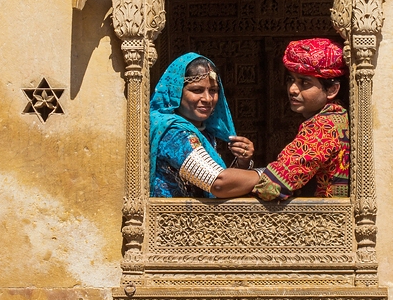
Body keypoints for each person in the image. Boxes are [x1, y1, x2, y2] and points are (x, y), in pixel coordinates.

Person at [209, 37, 350, 200]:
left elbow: (272, 186)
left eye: (304, 83)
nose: (292, 89)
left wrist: (259, 176)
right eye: (291, 80)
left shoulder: (323, 126)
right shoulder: (339, 117)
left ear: (332, 89)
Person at [150, 53, 255, 197]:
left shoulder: (204, 133)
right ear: (176, 92)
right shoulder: (174, 133)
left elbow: (213, 183)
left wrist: (243, 163)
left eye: (213, 91)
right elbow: (218, 184)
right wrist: (274, 175)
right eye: (197, 90)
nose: (207, 99)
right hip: (174, 218)